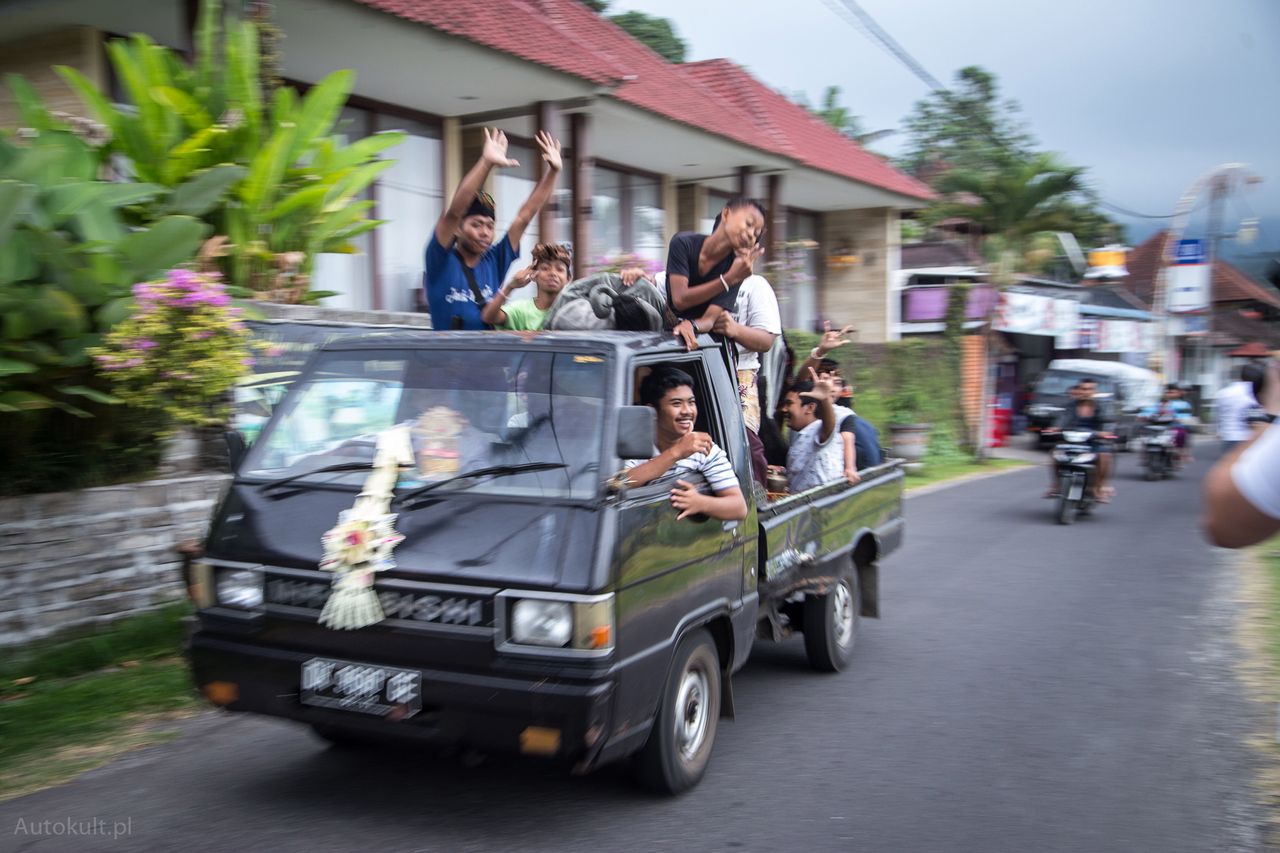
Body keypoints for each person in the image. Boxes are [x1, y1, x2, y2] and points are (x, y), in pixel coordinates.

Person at [424, 128, 562, 330]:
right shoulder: (440, 259)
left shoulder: (495, 260)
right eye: (476, 224)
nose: (485, 233)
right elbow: (454, 212)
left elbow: (524, 217)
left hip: (488, 359)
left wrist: (553, 172)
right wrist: (486, 163)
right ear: (458, 229)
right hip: (445, 360)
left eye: (490, 226)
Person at [623, 367, 748, 522]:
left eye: (691, 402)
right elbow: (621, 483)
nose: (687, 411)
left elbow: (739, 508)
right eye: (676, 403)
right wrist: (676, 453)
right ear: (652, 411)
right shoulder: (635, 444)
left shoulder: (704, 449)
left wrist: (700, 503)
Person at [664, 198, 767, 349]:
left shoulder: (736, 268)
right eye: (749, 224)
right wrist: (727, 279)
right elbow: (680, 299)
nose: (752, 234)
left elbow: (709, 320)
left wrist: (692, 325)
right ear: (726, 214)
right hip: (668, 334)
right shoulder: (683, 243)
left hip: (707, 345)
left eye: (756, 233)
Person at [1203, 360, 1280, 547]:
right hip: (1253, 436)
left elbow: (1226, 530)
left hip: (1235, 438)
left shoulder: (1225, 393)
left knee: (1232, 488)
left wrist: (1273, 413)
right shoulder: (1251, 395)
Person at [1046, 377, 1115, 502]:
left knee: (1104, 455)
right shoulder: (1070, 406)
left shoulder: (1102, 406)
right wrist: (1055, 428)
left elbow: (1108, 422)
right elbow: (1062, 419)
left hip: (1093, 441)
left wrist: (1105, 432)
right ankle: (1056, 485)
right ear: (1079, 390)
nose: (1086, 392)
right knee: (1055, 453)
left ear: (1095, 391)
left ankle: (1098, 488)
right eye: (1083, 389)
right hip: (1072, 440)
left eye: (1090, 389)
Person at [779, 370, 847, 493]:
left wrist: (825, 399)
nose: (784, 409)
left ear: (810, 408)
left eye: (789, 404)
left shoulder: (819, 430)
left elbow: (829, 426)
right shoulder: (800, 435)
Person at [480, 242, 571, 330]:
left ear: (568, 278)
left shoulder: (575, 310)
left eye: (559, 269)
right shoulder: (520, 310)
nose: (553, 273)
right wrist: (509, 287)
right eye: (545, 268)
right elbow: (489, 317)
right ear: (533, 275)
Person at [1216, 363, 1264, 454]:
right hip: (1246, 437)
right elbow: (1255, 423)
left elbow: (1218, 414)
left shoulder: (1223, 393)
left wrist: (1219, 431)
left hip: (1228, 436)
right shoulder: (1252, 395)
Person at [1140, 383, 1192, 466]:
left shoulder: (1183, 404)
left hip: (1173, 428)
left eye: (1172, 392)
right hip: (1155, 427)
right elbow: (1146, 412)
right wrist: (1143, 416)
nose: (1168, 394)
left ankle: (1177, 454)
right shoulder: (1155, 404)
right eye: (1167, 392)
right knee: (1143, 432)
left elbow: (1186, 417)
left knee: (1181, 434)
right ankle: (1145, 454)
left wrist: (1179, 419)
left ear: (1178, 393)